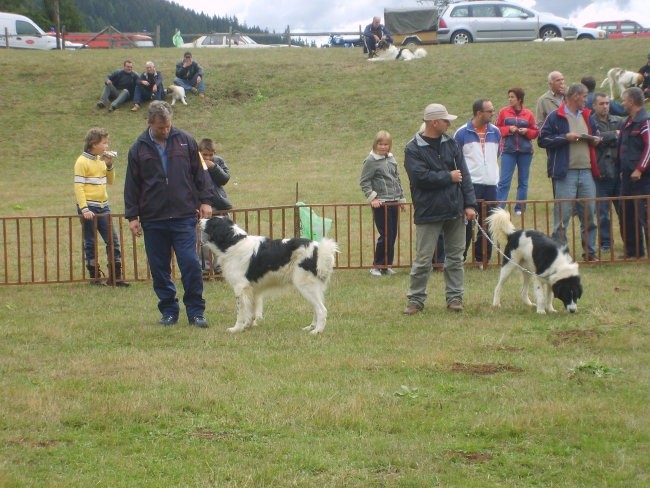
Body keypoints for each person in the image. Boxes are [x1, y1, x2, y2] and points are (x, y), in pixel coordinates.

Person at [124, 101, 214, 327]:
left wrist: (205, 200)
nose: (165, 131)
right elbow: (132, 184)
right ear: (149, 123)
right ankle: (169, 311)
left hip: (183, 215)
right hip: (153, 218)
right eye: (160, 128)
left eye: (167, 126)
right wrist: (132, 216)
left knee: (191, 263)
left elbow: (199, 173)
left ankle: (196, 312)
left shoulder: (186, 141)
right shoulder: (138, 148)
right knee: (159, 267)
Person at [402, 103, 477, 314]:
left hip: (455, 209)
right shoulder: (413, 148)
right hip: (428, 211)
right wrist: (448, 177)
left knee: (455, 258)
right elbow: (420, 178)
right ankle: (415, 300)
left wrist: (470, 204)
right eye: (445, 120)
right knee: (423, 260)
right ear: (434, 122)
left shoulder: (451, 143)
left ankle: (455, 298)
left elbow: (465, 176)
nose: (449, 123)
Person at [538, 83, 600, 261]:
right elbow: (542, 140)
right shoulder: (556, 116)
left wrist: (596, 139)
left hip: (587, 172)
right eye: (585, 96)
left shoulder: (588, 115)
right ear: (575, 96)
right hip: (565, 174)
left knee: (589, 215)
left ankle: (590, 253)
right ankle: (560, 256)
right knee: (562, 217)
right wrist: (565, 137)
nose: (587, 100)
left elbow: (596, 133)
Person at [74, 128, 128, 286]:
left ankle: (115, 277)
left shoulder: (100, 160)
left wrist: (109, 165)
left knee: (113, 240)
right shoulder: (81, 162)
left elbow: (110, 181)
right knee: (90, 242)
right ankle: (94, 277)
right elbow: (79, 187)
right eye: (104, 143)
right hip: (89, 207)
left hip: (104, 206)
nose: (107, 146)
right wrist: (84, 209)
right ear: (93, 144)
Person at [454, 98, 501, 265]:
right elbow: (457, 159)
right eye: (489, 111)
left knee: (489, 222)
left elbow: (497, 153)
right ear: (478, 113)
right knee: (466, 223)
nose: (493, 113)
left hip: (491, 184)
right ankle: (460, 257)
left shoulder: (496, 132)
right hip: (471, 184)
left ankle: (482, 258)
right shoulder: (461, 133)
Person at [359, 130, 407, 276]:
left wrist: (401, 199)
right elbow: (364, 181)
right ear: (375, 144)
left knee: (392, 234)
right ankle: (376, 266)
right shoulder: (371, 161)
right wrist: (373, 198)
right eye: (380, 144)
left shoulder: (391, 159)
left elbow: (396, 179)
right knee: (385, 234)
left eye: (386, 144)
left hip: (394, 201)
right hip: (381, 203)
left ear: (390, 145)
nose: (383, 147)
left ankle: (386, 265)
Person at [496, 87, 539, 215]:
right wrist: (509, 129)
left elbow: (536, 132)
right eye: (509, 97)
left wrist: (527, 132)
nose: (510, 99)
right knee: (504, 181)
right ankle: (499, 208)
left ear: (519, 99)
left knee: (523, 181)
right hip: (508, 151)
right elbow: (496, 128)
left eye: (512, 97)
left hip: (525, 152)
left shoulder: (529, 114)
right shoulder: (503, 112)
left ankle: (520, 208)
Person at [618, 86, 650, 258]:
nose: (622, 103)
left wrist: (639, 169)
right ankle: (633, 252)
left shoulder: (646, 121)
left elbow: (649, 147)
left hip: (643, 179)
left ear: (631, 102)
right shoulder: (627, 122)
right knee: (627, 214)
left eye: (623, 100)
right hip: (627, 178)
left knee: (645, 215)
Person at [592, 92, 623, 252]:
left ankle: (629, 241)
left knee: (623, 210)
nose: (605, 106)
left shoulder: (618, 121)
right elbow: (593, 140)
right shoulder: (591, 123)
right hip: (600, 173)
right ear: (594, 106)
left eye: (607, 103)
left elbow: (624, 139)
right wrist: (613, 135)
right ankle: (605, 244)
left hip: (619, 172)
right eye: (601, 103)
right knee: (602, 212)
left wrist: (603, 139)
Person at [198, 137, 232, 274]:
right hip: (202, 206)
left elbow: (224, 179)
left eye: (210, 155)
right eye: (204, 154)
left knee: (222, 237)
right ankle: (204, 269)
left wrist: (213, 167)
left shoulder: (218, 161)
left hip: (219, 204)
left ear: (214, 153)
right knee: (203, 240)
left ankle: (220, 268)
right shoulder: (194, 163)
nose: (207, 157)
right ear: (199, 152)